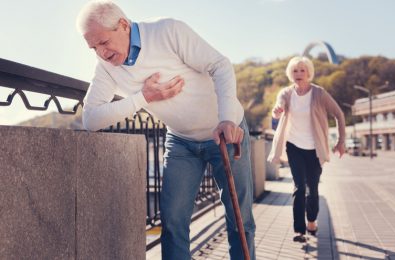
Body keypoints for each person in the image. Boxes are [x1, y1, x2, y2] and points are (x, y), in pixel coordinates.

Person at [76, 1, 256, 259]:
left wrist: (227, 118)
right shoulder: (106, 67)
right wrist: (143, 97)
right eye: (93, 47)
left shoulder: (167, 30)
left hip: (225, 134)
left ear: (123, 25)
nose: (101, 53)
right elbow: (91, 119)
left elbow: (221, 65)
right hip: (181, 142)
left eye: (103, 42)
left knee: (240, 221)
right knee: (172, 224)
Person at [267, 56, 345, 243]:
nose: (299, 74)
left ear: (308, 73)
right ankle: (299, 230)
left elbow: (339, 114)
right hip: (294, 146)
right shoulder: (286, 93)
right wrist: (276, 112)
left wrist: (341, 141)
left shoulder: (319, 93)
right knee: (299, 187)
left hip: (314, 149)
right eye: (295, 71)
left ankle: (311, 220)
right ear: (290, 74)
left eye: (302, 70)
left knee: (313, 188)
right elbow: (278, 108)